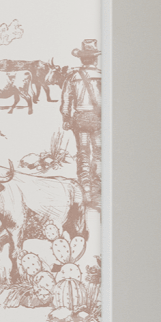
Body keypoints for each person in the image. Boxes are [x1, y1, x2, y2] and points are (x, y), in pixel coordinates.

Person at [59, 38, 101, 208]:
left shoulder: (73, 77)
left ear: (82, 59)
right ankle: (98, 195)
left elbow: (66, 100)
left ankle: (85, 193)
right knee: (98, 154)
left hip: (80, 119)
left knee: (83, 155)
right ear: (95, 58)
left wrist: (66, 118)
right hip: (98, 120)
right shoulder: (102, 75)